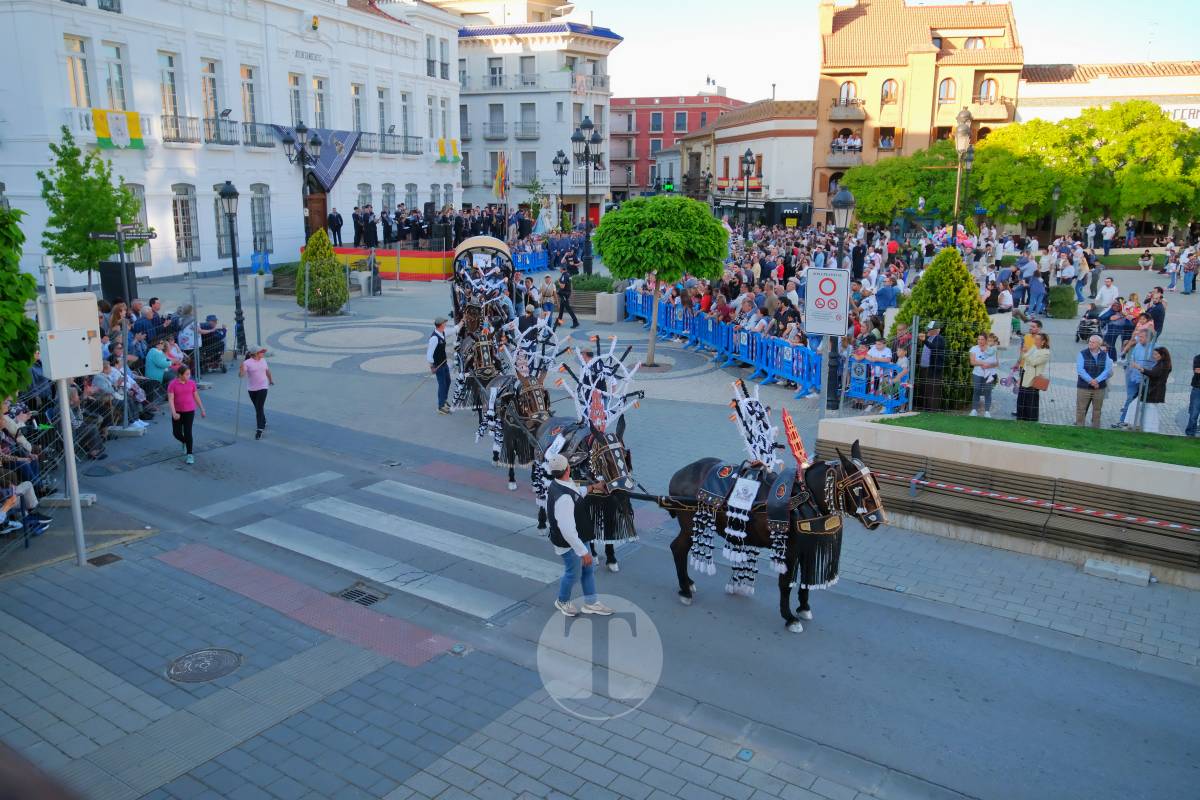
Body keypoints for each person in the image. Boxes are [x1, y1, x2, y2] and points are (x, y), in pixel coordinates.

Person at [545, 453, 612, 617]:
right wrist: (582, 552)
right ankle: (562, 601)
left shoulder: (561, 483)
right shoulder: (564, 498)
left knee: (587, 570)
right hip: (570, 544)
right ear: (567, 468)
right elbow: (567, 530)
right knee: (573, 573)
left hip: (580, 538)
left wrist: (593, 487)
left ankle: (591, 603)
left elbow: (577, 492)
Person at [1123, 347, 1172, 433]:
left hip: (1154, 391)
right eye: (1153, 354)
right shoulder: (1162, 364)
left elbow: (1153, 374)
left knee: (1150, 409)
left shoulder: (1163, 365)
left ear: (1162, 355)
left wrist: (1140, 368)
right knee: (1138, 406)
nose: (1154, 356)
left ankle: (1148, 428)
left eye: (1156, 354)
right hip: (1152, 390)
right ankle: (1137, 425)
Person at [167, 365, 205, 465]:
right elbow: (170, 399)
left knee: (188, 432)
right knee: (176, 433)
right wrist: (174, 412)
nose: (189, 376)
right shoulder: (172, 384)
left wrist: (202, 409)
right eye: (187, 374)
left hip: (189, 411)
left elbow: (196, 396)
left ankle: (190, 454)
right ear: (180, 374)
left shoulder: (192, 383)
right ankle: (184, 442)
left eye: (189, 374)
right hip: (178, 412)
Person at [1075, 335, 1113, 428]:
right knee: (1081, 409)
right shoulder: (1082, 353)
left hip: (1099, 387)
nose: (1090, 343)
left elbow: (1107, 370)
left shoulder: (1105, 355)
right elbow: (1080, 370)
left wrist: (1097, 380)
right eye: (1090, 341)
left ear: (1099, 344)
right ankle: (1079, 427)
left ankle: (1095, 427)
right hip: (1084, 387)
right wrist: (1091, 381)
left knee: (1097, 409)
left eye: (1093, 342)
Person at [240, 346, 274, 440]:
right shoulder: (247, 363)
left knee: (259, 407)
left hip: (263, 387)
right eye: (261, 352)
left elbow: (267, 371)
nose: (263, 353)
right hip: (251, 389)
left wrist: (270, 380)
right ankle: (263, 420)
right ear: (255, 353)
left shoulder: (263, 360)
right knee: (258, 407)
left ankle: (259, 429)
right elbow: (241, 375)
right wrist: (241, 369)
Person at [1017, 332, 1050, 421]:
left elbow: (1033, 362)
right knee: (1022, 398)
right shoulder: (1034, 347)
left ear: (1043, 342)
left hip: (1033, 379)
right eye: (1035, 339)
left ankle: (1031, 419)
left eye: (1037, 339)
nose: (1035, 341)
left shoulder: (1045, 353)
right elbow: (1026, 360)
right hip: (1025, 375)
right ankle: (1020, 418)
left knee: (1031, 401)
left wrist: (1025, 354)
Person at [915, 321, 946, 411]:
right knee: (924, 388)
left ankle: (933, 409)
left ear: (936, 330)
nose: (927, 331)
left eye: (929, 330)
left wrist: (924, 340)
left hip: (933, 369)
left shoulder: (939, 339)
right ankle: (924, 408)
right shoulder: (929, 338)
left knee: (932, 389)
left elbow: (934, 347)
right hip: (924, 367)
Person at [968, 333, 999, 417]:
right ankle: (974, 410)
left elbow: (996, 363)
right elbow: (972, 362)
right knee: (976, 391)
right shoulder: (974, 349)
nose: (980, 341)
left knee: (988, 392)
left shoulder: (992, 349)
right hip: (977, 374)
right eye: (978, 339)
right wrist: (983, 363)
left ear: (986, 340)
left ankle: (987, 412)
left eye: (982, 339)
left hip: (990, 374)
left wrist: (989, 365)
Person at [427, 316, 453, 414]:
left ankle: (444, 400)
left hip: (444, 363)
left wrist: (461, 323)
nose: (445, 324)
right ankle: (440, 406)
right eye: (444, 323)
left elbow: (453, 330)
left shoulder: (442, 333)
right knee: (442, 385)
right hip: (438, 365)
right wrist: (432, 366)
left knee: (448, 381)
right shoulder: (434, 338)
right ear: (440, 325)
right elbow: (429, 354)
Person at [1185, 352, 1200, 437]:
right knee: (1194, 413)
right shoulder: (1198, 358)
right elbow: (1197, 370)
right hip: (1198, 388)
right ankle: (1190, 434)